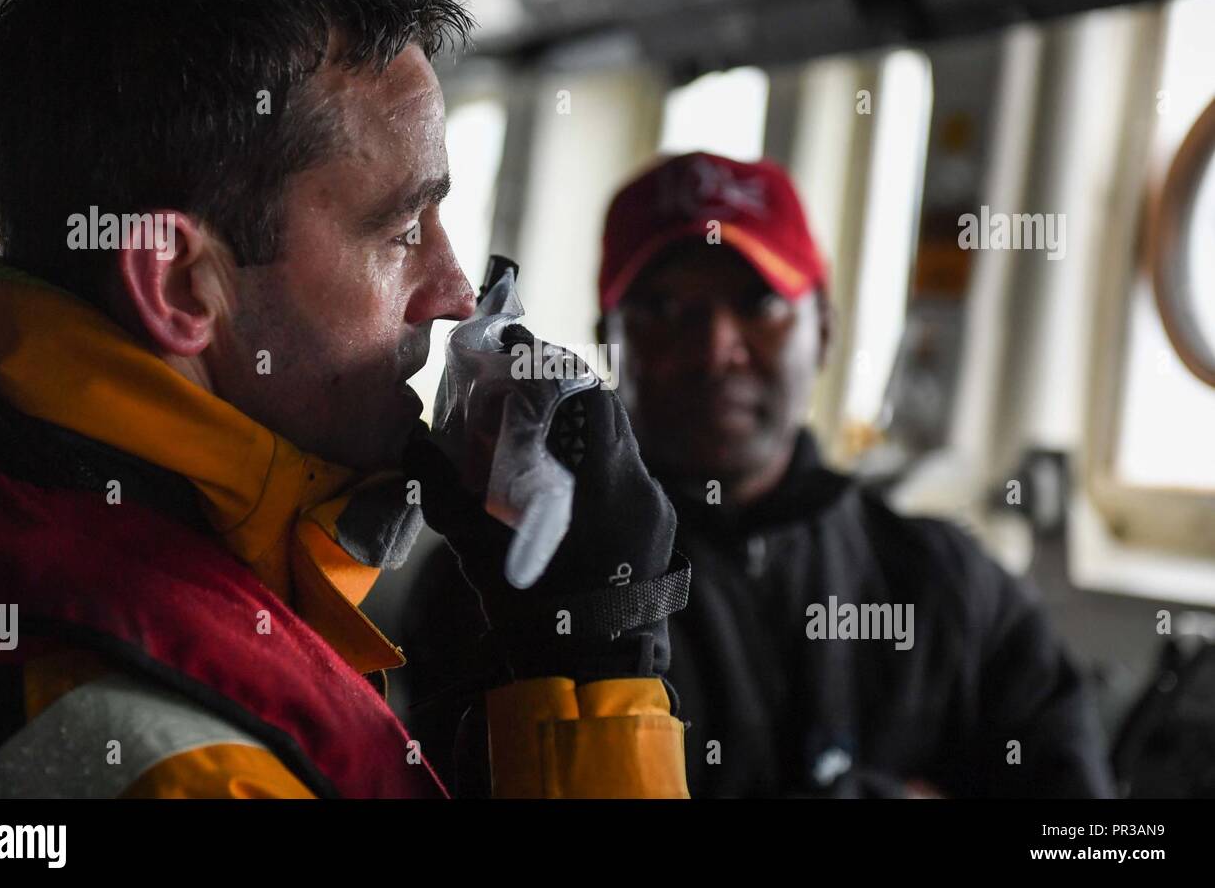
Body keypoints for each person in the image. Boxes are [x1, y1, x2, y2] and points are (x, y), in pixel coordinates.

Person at [0, 0, 688, 799]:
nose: (457, 294)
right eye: (402, 231)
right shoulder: (191, 773)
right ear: (178, 285)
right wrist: (601, 667)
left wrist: (549, 654)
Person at [405, 151, 1114, 798]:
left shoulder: (952, 589)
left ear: (826, 330)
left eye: (760, 303)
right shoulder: (506, 589)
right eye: (665, 309)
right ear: (608, 337)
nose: (716, 348)